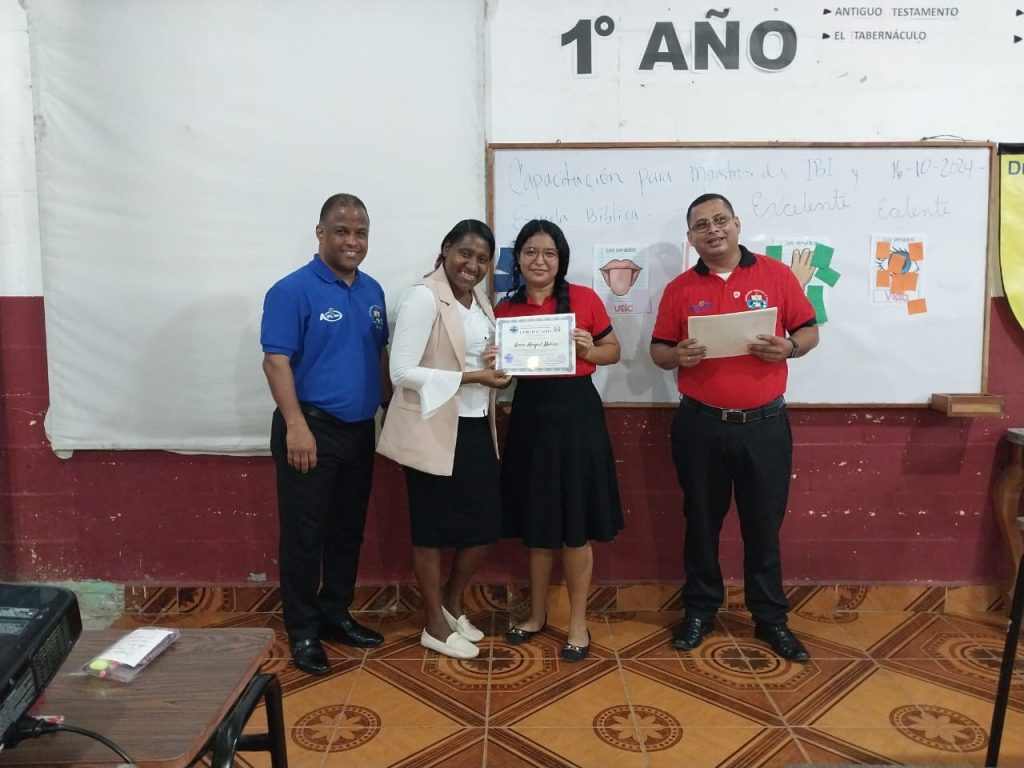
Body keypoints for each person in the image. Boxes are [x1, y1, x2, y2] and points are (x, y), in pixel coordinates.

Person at [650, 193, 819, 662]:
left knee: (763, 526)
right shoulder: (680, 289)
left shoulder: (776, 275)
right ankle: (699, 612)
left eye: (720, 220)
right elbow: (658, 351)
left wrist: (789, 347)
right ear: (690, 238)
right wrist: (677, 356)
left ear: (737, 224)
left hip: (765, 425)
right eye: (701, 225)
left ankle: (771, 619)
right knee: (701, 523)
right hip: (700, 424)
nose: (713, 230)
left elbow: (809, 332)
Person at [260, 193, 391, 676]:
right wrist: (296, 426)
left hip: (359, 432)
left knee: (346, 530)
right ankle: (303, 630)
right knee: (304, 534)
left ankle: (335, 613)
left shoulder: (373, 290)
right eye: (341, 231)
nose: (352, 241)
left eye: (360, 233)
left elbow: (379, 356)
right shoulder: (291, 290)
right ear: (320, 233)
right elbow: (275, 363)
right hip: (309, 429)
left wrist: (390, 411)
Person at [377, 220, 511, 659]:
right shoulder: (423, 296)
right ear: (446, 249)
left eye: (482, 259)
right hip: (432, 425)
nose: (472, 265)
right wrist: (474, 376)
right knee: (431, 529)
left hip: (475, 425)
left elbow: (476, 355)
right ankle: (434, 624)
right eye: (464, 254)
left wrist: (496, 366)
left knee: (486, 524)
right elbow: (401, 372)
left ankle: (452, 602)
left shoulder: (481, 300)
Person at [497, 219, 624, 662]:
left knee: (576, 529)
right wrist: (497, 364)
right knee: (537, 526)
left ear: (561, 259)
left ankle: (577, 622)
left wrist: (589, 350)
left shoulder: (584, 299)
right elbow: (501, 378)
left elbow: (613, 351)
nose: (540, 260)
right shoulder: (505, 309)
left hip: (577, 419)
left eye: (549, 253)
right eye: (530, 252)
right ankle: (536, 615)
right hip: (529, 418)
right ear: (518, 259)